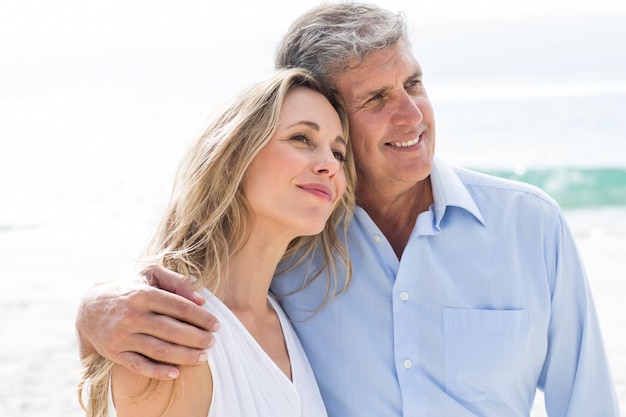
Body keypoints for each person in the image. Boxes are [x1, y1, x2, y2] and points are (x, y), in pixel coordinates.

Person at [76, 2, 620, 416]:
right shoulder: (295, 248)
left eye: (413, 84)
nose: (410, 115)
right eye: (376, 99)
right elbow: (202, 267)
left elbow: (588, 401)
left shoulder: (532, 226)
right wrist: (93, 314)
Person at [77, 67, 356, 417]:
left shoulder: (289, 321)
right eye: (302, 138)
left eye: (339, 153)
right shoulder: (172, 335)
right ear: (234, 157)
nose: (329, 164)